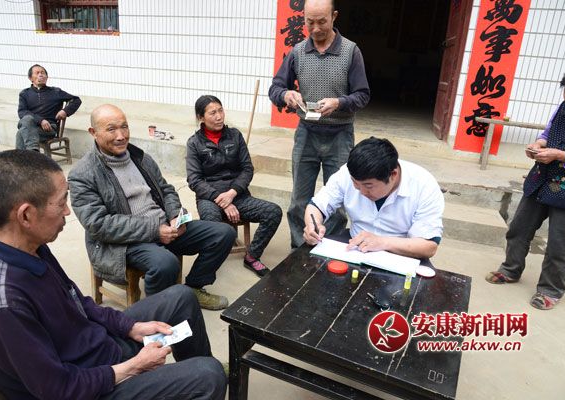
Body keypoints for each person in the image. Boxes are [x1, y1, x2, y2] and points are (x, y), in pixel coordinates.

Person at [0, 150, 226, 400]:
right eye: (62, 202)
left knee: (182, 297)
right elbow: (58, 389)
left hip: (98, 347)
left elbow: (79, 303)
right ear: (26, 215)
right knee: (209, 375)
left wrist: (130, 327)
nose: (68, 212)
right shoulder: (3, 304)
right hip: (86, 387)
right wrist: (134, 367)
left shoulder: (32, 248)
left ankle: (188, 374)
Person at [68, 104, 235, 310]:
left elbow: (166, 189)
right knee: (165, 263)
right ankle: (155, 312)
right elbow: (99, 225)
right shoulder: (83, 174)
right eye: (111, 129)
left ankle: (193, 287)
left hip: (164, 226)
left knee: (223, 234)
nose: (121, 136)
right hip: (124, 242)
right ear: (93, 132)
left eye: (124, 127)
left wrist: (174, 215)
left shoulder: (140, 158)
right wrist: (154, 230)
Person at [268, 0, 370, 249]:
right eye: (309, 22)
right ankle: (299, 250)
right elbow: (275, 88)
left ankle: (329, 251)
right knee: (299, 199)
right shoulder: (298, 52)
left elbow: (362, 95)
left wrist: (339, 102)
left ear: (334, 16)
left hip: (340, 135)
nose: (315, 28)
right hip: (306, 133)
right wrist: (286, 94)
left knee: (337, 201)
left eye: (322, 21)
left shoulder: (351, 51)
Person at [486, 60, 565, 310]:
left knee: (560, 244)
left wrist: (561, 156)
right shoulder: (564, 106)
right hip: (541, 178)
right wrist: (538, 145)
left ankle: (550, 290)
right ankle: (510, 269)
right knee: (519, 228)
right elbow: (549, 132)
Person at [186, 95, 282, 277]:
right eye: (212, 113)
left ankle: (252, 256)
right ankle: (208, 266)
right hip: (209, 198)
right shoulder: (194, 143)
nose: (219, 116)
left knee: (273, 212)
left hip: (238, 195)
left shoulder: (235, 136)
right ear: (201, 117)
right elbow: (194, 180)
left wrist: (232, 193)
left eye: (220, 110)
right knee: (212, 225)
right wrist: (221, 200)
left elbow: (247, 169)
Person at [303, 137, 444, 260]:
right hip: (354, 246)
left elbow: (429, 246)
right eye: (355, 184)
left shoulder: (423, 185)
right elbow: (317, 205)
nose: (362, 191)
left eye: (368, 186)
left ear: (393, 175)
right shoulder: (348, 172)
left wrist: (382, 242)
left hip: (401, 253)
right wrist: (312, 226)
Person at [17, 64, 81, 151]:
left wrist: (65, 111)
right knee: (26, 120)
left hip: (49, 129)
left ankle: (29, 155)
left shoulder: (55, 92)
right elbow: (22, 112)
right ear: (30, 78)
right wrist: (41, 120)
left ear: (47, 77)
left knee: (22, 132)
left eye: (42, 73)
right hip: (31, 126)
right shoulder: (25, 94)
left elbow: (76, 100)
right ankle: (33, 152)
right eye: (37, 73)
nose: (40, 75)